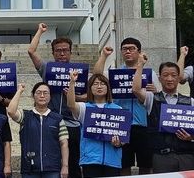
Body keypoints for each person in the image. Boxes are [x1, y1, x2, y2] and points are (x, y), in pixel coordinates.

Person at [93, 37, 160, 175]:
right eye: (125, 49)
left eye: (132, 48)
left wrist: (155, 90)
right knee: (123, 164)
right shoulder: (114, 73)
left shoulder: (149, 73)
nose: (128, 51)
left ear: (139, 52)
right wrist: (104, 56)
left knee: (146, 164)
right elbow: (97, 75)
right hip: (121, 124)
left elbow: (159, 98)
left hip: (144, 124)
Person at [27, 23, 82, 178]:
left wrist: (75, 96)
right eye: (58, 51)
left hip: (72, 123)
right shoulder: (47, 69)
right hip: (51, 123)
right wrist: (40, 31)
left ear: (71, 52)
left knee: (73, 164)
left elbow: (89, 96)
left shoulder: (80, 72)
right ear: (53, 53)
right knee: (52, 163)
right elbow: (31, 51)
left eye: (65, 50)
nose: (62, 54)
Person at [133, 55, 194, 173]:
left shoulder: (190, 102)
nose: (170, 79)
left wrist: (191, 137)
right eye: (165, 75)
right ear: (160, 78)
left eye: (173, 75)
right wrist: (140, 64)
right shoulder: (152, 99)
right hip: (161, 156)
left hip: (187, 155)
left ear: (178, 79)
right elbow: (136, 89)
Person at [7, 82, 69, 178]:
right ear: (33, 95)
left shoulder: (58, 119)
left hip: (52, 169)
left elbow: (64, 143)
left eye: (45, 93)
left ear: (50, 96)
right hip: (29, 169)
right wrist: (19, 91)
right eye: (38, 92)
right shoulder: (25, 116)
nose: (42, 95)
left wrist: (65, 166)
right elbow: (11, 111)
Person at [67, 72, 123, 177]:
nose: (99, 86)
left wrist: (118, 143)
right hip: (90, 160)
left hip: (112, 160)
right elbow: (71, 104)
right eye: (95, 84)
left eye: (102, 83)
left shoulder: (118, 109)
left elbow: (123, 138)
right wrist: (72, 83)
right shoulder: (85, 108)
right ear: (90, 88)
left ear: (108, 87)